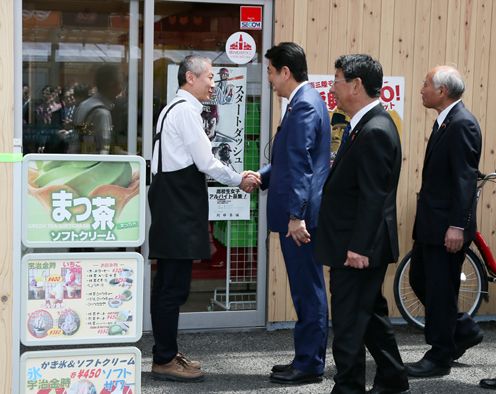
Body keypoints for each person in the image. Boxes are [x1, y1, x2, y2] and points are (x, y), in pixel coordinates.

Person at [147, 55, 260, 383]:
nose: (214, 83)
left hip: (172, 206)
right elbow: (207, 162)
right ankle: (165, 359)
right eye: (209, 76)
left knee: (168, 285)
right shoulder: (185, 112)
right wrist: (239, 178)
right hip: (177, 208)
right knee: (172, 287)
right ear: (190, 78)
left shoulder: (174, 109)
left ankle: (165, 353)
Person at [315, 54, 409, 394]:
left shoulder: (376, 130)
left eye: (337, 78)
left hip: (357, 247)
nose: (332, 85)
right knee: (369, 315)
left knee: (349, 321)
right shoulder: (364, 126)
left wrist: (358, 247)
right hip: (354, 242)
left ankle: (349, 387)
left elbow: (374, 197)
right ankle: (393, 377)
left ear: (356, 85)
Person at [257, 42, 330, 385]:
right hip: (297, 214)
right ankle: (305, 358)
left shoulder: (303, 106)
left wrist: (296, 216)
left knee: (308, 289)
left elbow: (302, 166)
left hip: (300, 219)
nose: (270, 80)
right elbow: (289, 161)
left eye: (271, 72)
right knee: (304, 289)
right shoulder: (303, 102)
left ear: (285, 71)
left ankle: (311, 364)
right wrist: (262, 177)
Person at [405, 65, 483, 378]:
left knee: (439, 290)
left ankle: (439, 357)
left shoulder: (462, 124)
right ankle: (462, 330)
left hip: (446, 227)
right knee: (420, 281)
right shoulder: (446, 121)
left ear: (442, 91)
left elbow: (465, 180)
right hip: (431, 225)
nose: (421, 89)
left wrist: (457, 226)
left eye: (426, 84)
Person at [72, 64, 123, 154]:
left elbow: (81, 136)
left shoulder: (84, 105)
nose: (121, 89)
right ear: (111, 84)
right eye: (120, 84)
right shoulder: (102, 113)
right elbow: (103, 150)